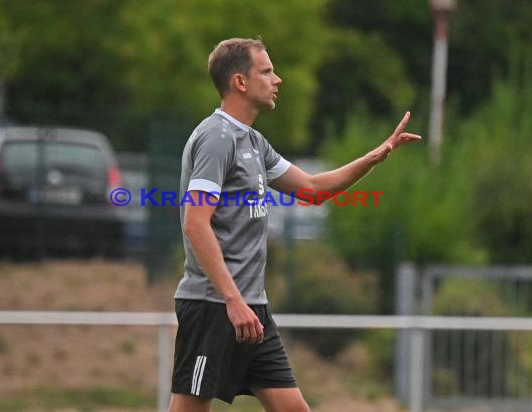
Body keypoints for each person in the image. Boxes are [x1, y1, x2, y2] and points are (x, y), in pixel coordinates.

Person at [168, 37, 421, 412]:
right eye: (267, 71)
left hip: (252, 309)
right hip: (215, 306)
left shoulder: (253, 141)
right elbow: (195, 224)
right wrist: (232, 300)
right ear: (240, 82)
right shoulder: (216, 138)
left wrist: (374, 156)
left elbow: (313, 189)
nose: (278, 79)